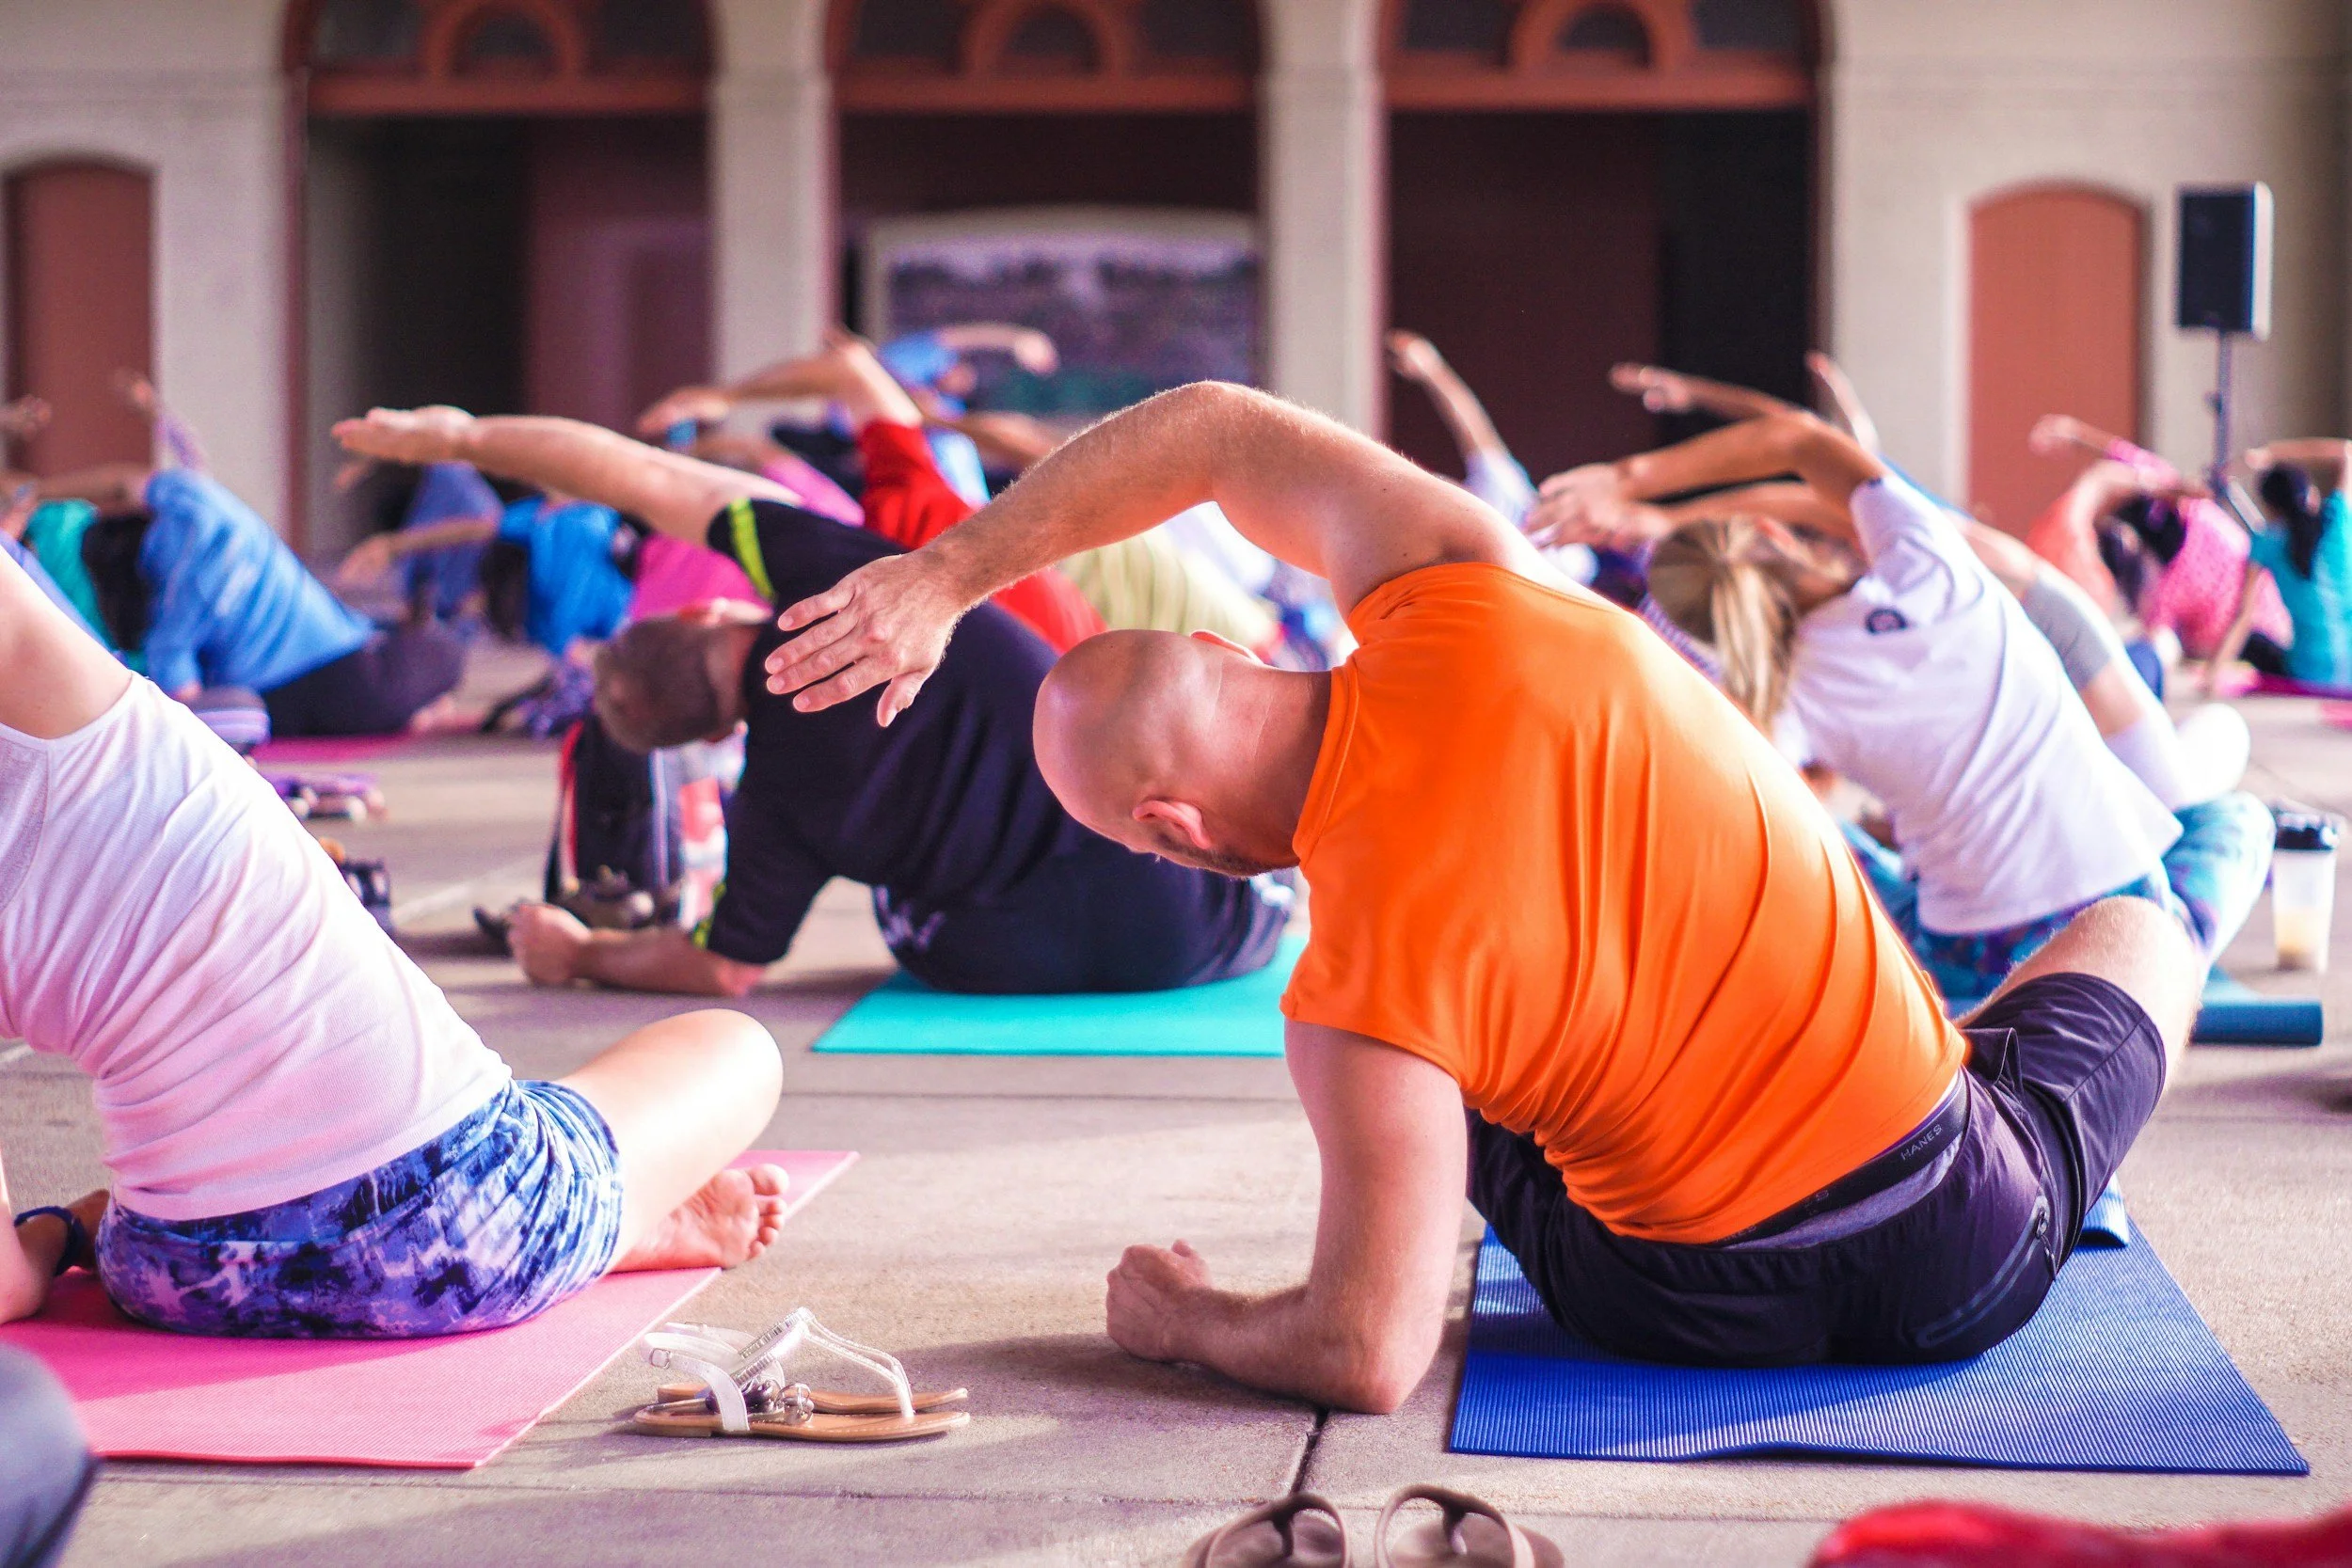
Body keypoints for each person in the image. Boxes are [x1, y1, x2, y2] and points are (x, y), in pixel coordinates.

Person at [754, 378, 2202, 1404]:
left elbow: (1364, 1355)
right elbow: (1213, 427)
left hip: (1674, 1309)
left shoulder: (1349, 1006)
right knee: (2140, 924)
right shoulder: (1467, 582)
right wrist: (943, 576)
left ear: (1170, 824)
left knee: (1447, 1067)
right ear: (1230, 647)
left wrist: (1188, 1319)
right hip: (1963, 1239)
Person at [0, 541, 793, 1338]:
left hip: (181, 1276)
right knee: (738, 1047)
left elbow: (5, 1284)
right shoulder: (53, 683)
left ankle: (605, 1216)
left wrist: (58, 1235)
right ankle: (609, 1221)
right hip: (460, 1230)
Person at [332, 402, 1292, 1001]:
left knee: (899, 907)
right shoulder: (832, 578)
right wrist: (462, 436)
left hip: (1006, 965)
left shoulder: (775, 809)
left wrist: (582, 951)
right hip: (1202, 916)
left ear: (709, 735)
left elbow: (721, 967)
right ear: (712, 604)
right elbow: (648, 474)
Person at [1538, 411, 2271, 1004]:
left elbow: (1741, 833)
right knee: (2239, 818)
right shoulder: (1929, 560)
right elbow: (1799, 438)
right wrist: (1632, 485)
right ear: (1768, 533)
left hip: (1975, 963)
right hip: (2122, 918)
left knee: (1824, 841)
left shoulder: (1785, 693)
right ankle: (2170, 967)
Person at [31, 462, 464, 737]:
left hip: (317, 674)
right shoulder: (198, 502)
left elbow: (184, 704)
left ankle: (409, 701)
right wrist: (39, 491)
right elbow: (121, 482)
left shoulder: (171, 624)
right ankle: (411, 701)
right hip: (337, 668)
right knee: (447, 650)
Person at [2026, 414, 2291, 672]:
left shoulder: (2169, 585)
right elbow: (2131, 460)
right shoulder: (2194, 517)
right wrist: (2075, 433)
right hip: (2257, 626)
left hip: (2242, 634)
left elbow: (2124, 460)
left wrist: (2077, 435)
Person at [2211, 440, 2352, 693]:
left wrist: (2213, 674)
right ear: (2309, 494)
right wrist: (2270, 453)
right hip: (2348, 675)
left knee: (2254, 643)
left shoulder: (2265, 543)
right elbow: (2346, 451)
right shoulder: (2337, 517)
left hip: (2306, 674)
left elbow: (2244, 617)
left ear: (2270, 506)